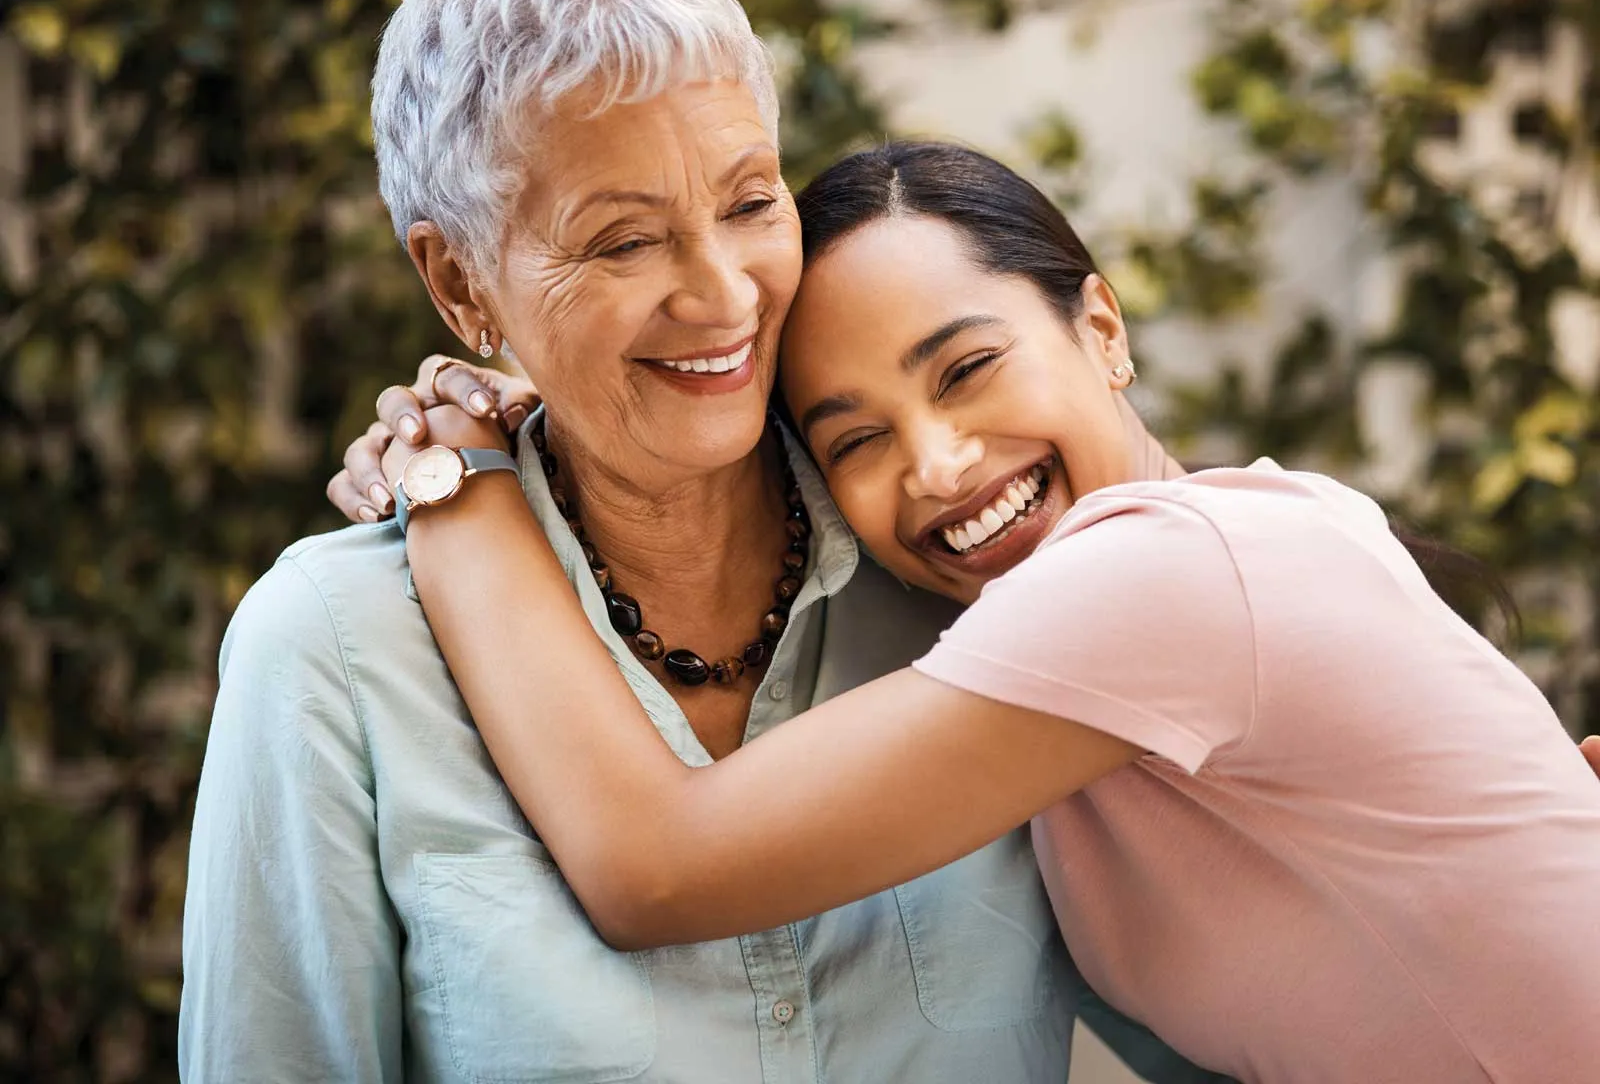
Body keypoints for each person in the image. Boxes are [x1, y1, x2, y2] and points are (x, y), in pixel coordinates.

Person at [182, 0, 1219, 1084]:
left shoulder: (959, 566)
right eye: (624, 241)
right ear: (460, 281)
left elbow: (1251, 1022)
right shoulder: (333, 654)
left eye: (747, 204)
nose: (721, 295)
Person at [361, 142, 1600, 1083]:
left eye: (966, 369)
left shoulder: (1167, 576)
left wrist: (455, 479)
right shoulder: (1060, 689)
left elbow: (654, 869)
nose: (942, 465)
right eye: (855, 440)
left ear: (1099, 327)